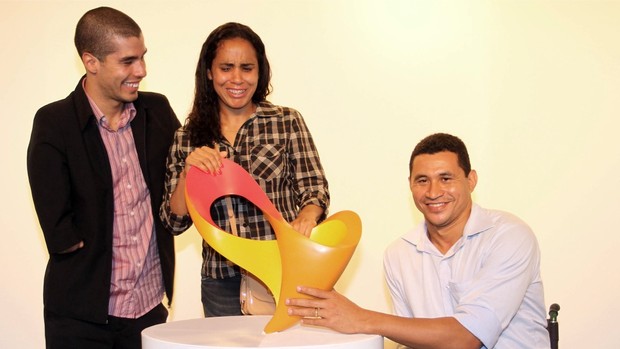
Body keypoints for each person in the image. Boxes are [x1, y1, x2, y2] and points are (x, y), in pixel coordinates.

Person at [287, 133, 550, 349]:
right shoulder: (399, 254)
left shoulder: (509, 235)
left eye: (446, 178)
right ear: (410, 185)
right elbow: (413, 338)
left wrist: (360, 318)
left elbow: (467, 337)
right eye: (422, 181)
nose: (433, 192)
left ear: (471, 180)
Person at [27, 7, 180, 348]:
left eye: (142, 57)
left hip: (148, 311)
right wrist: (79, 249)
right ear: (91, 62)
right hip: (80, 317)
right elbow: (55, 219)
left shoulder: (157, 111)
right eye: (128, 61)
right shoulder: (55, 122)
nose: (141, 70)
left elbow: (188, 174)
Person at [159, 22, 329, 317]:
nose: (237, 78)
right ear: (209, 72)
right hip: (220, 281)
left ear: (259, 71)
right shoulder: (187, 137)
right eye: (226, 67)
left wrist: (307, 215)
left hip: (281, 271)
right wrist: (189, 174)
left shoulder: (286, 121)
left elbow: (315, 189)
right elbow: (174, 223)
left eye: (247, 68)